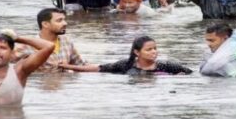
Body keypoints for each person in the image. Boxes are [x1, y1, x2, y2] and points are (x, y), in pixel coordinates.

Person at [60, 36, 192, 75]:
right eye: (149, 49)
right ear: (136, 52)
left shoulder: (167, 66)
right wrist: (67, 66)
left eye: (155, 49)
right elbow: (97, 68)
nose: (154, 52)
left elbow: (190, 74)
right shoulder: (125, 65)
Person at [14, 8, 87, 72]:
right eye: (59, 21)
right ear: (45, 24)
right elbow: (7, 65)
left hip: (64, 85)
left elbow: (81, 65)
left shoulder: (66, 42)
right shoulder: (28, 46)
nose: (65, 23)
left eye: (64, 20)